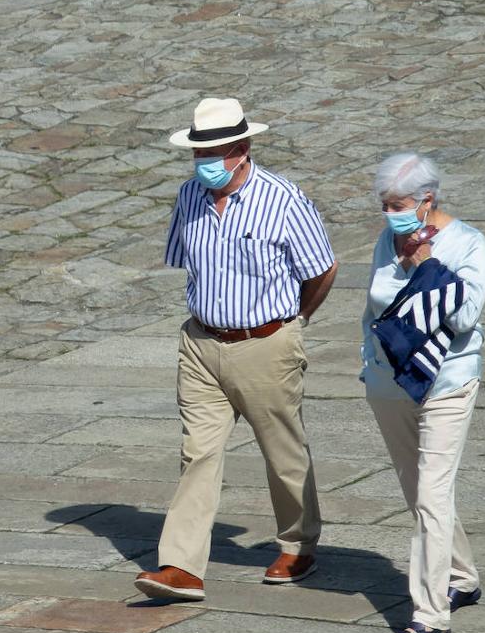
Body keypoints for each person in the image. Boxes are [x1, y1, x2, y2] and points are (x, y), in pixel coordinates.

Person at [135, 97, 338, 602]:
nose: (203, 163)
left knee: (282, 451)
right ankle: (180, 565)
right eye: (197, 153)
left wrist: (292, 321)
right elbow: (185, 261)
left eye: (215, 152)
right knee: (197, 453)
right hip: (201, 343)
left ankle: (298, 543)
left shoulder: (284, 199)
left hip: (266, 343)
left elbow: (322, 269)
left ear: (243, 149)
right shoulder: (189, 196)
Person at [362, 152, 485, 633]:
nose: (388, 214)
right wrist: (365, 361)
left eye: (395, 205)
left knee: (432, 497)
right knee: (419, 492)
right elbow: (373, 305)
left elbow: (463, 319)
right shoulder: (388, 239)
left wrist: (429, 265)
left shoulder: (467, 245)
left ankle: (430, 615)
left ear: (426, 201)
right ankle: (461, 578)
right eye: (384, 205)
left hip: (447, 383)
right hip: (389, 382)